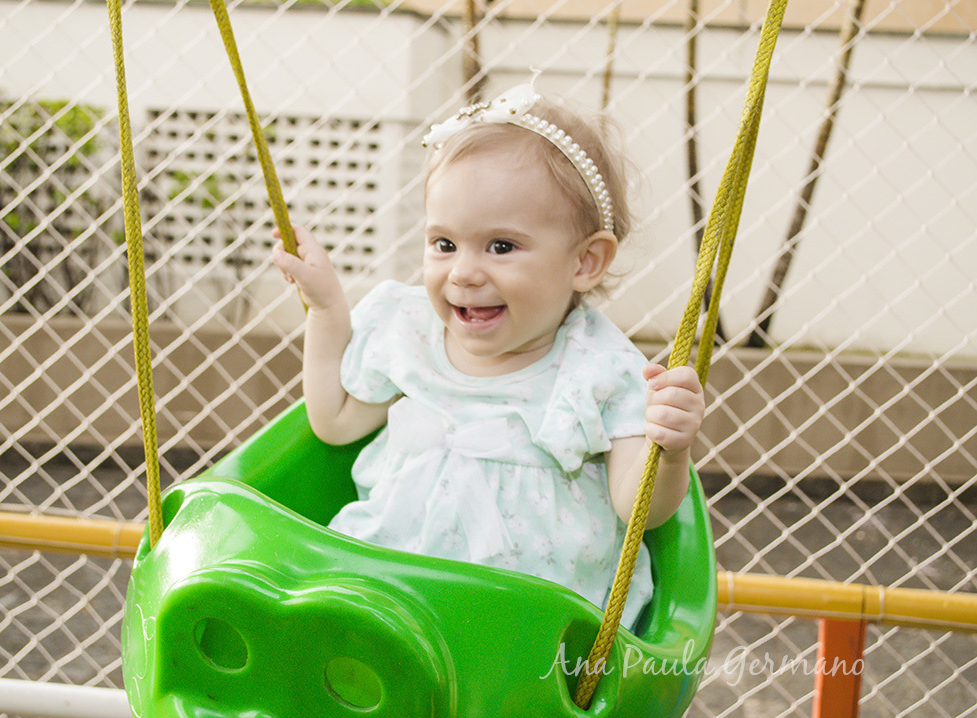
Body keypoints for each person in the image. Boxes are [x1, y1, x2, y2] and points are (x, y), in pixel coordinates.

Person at [272, 80, 705, 629]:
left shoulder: (598, 370)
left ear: (586, 261)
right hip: (387, 593)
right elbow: (333, 422)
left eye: (501, 246)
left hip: (526, 622)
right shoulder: (412, 333)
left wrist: (670, 452)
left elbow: (636, 508)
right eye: (444, 244)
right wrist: (326, 311)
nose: (464, 272)